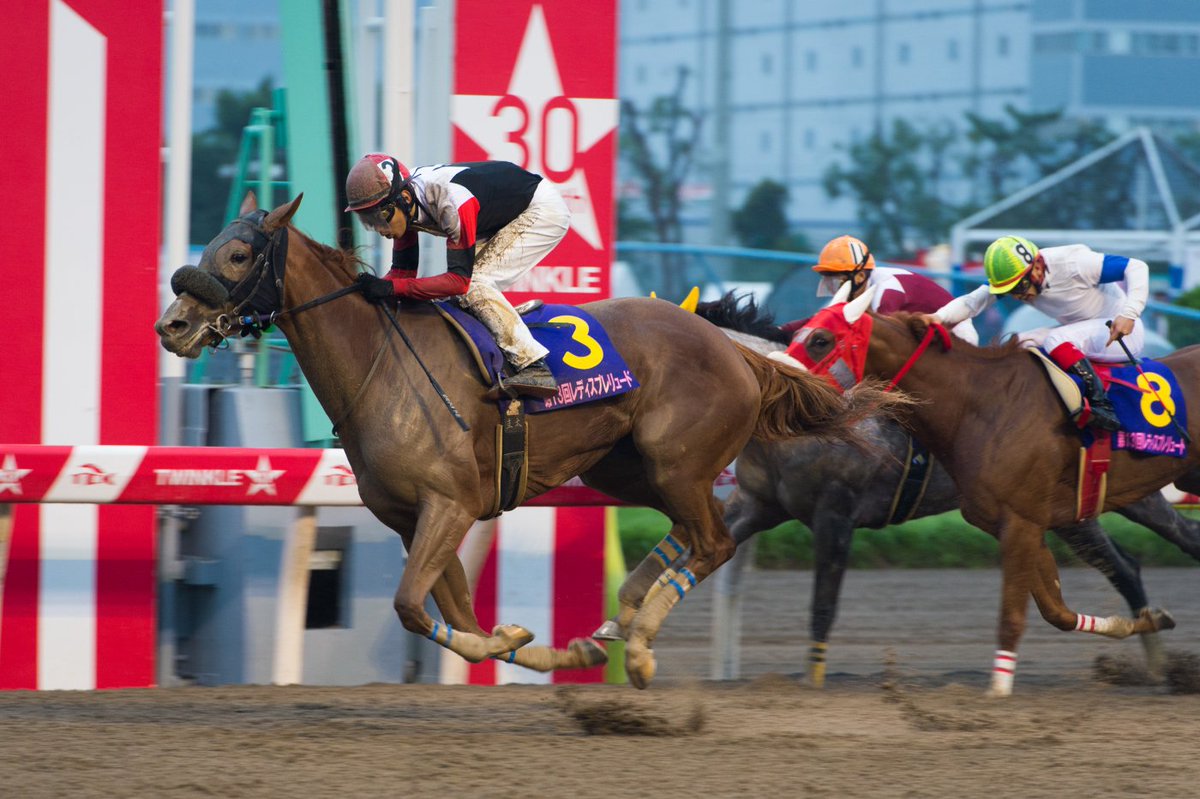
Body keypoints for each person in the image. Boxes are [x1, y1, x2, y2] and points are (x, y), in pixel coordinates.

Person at [344, 153, 570, 398]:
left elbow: (458, 282)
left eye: (379, 217)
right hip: (497, 215)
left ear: (405, 198)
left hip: (540, 210)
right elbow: (402, 274)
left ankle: (534, 366)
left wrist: (388, 289)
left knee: (474, 287)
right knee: (464, 296)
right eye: (368, 221)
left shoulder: (450, 201)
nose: (378, 229)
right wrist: (361, 293)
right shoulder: (403, 201)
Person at [921, 235, 1150, 432]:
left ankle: (1103, 407)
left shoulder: (1074, 263)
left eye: (1019, 288)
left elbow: (1136, 266)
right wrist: (937, 318)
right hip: (1082, 332)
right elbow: (974, 302)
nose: (1019, 296)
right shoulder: (1020, 275)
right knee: (1015, 343)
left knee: (1055, 339)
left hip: (1119, 335)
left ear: (1038, 266)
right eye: (1010, 291)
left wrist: (1129, 314)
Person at [785, 235, 979, 344]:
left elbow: (875, 338)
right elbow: (822, 321)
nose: (834, 289)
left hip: (957, 334)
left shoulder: (886, 291)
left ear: (860, 276)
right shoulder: (856, 290)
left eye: (836, 281)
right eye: (828, 282)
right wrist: (780, 330)